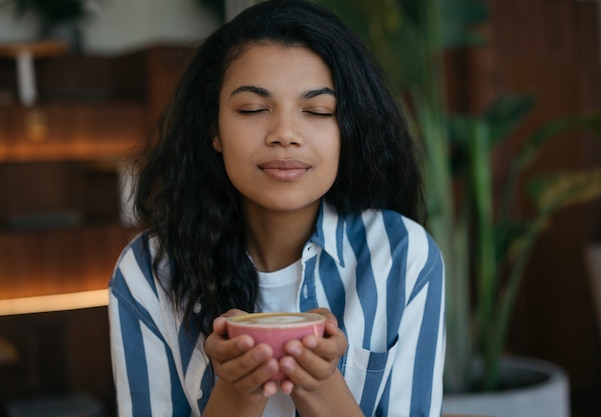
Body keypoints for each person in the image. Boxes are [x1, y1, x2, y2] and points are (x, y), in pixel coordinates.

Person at [108, 0, 445, 416]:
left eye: (318, 111)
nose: (285, 134)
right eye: (252, 109)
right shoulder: (149, 270)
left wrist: (322, 386)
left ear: (347, 129)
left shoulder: (403, 256)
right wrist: (236, 391)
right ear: (213, 128)